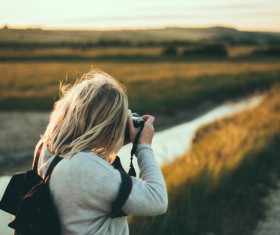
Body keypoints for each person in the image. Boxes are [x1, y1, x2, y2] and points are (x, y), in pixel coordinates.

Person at [34, 70, 168, 235]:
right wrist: (143, 146)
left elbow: (88, 185)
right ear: (107, 125)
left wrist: (116, 139)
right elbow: (157, 200)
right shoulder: (85, 168)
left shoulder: (47, 150)